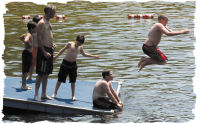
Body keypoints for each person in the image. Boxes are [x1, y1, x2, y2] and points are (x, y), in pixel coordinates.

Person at [51, 35, 100, 101]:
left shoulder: (80, 47)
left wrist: (94, 56)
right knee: (60, 79)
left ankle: (73, 95)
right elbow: (62, 51)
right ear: (75, 40)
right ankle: (55, 92)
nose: (78, 44)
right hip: (65, 63)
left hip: (73, 65)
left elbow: (84, 54)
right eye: (78, 43)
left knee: (73, 81)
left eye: (80, 44)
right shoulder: (69, 44)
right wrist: (55, 57)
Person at [34, 5, 56, 101]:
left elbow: (47, 36)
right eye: (54, 12)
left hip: (49, 49)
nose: (55, 14)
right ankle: (36, 95)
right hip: (44, 51)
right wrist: (43, 51)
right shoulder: (41, 23)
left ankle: (44, 94)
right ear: (48, 13)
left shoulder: (48, 22)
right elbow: (38, 38)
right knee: (41, 73)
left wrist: (52, 44)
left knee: (46, 73)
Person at [20, 21, 37, 90]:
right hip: (26, 53)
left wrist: (28, 43)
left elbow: (21, 37)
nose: (36, 30)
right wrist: (28, 43)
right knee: (24, 71)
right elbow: (26, 39)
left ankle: (24, 85)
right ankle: (23, 86)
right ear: (32, 28)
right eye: (35, 28)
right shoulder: (29, 34)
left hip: (28, 53)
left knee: (26, 70)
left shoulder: (28, 33)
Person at [26, 15, 42, 80]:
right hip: (34, 49)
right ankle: (30, 75)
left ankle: (40, 75)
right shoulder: (32, 31)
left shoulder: (40, 30)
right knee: (32, 63)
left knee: (40, 62)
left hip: (40, 48)